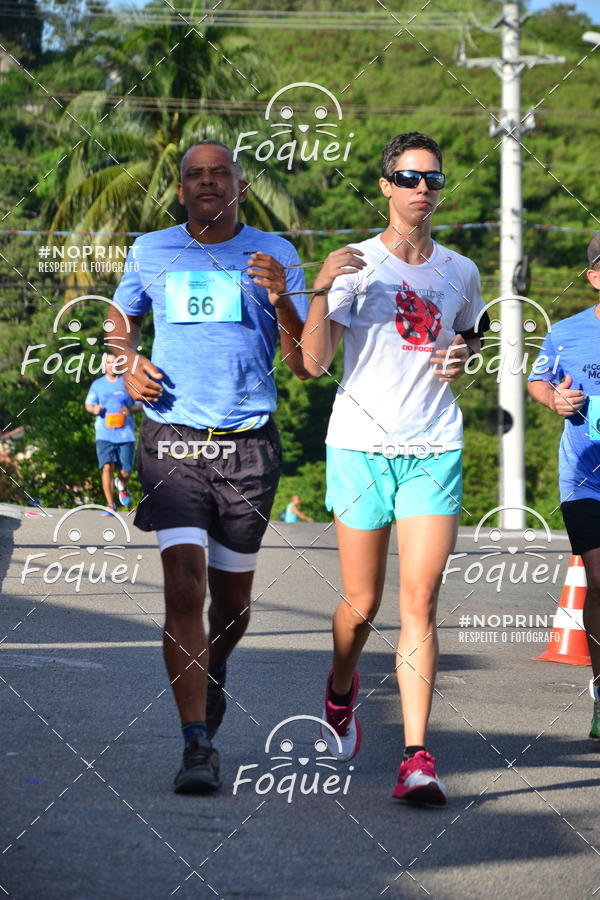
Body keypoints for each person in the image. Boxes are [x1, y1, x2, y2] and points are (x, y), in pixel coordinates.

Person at [108, 141, 308, 794]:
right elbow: (120, 318)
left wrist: (283, 300)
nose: (207, 182)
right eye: (195, 175)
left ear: (240, 188)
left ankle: (214, 662)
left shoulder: (276, 255)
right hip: (172, 439)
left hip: (248, 443)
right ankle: (197, 744)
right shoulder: (150, 251)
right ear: (180, 190)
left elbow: (305, 357)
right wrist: (127, 362)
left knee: (234, 605)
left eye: (220, 173)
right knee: (184, 587)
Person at [302, 132, 487, 805]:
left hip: (433, 445)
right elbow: (316, 363)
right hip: (358, 446)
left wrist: (464, 356)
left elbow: (472, 331)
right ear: (385, 185)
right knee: (361, 605)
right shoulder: (356, 265)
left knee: (421, 600)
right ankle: (341, 688)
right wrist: (321, 289)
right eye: (408, 178)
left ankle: (415, 757)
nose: (421, 190)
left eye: (432, 180)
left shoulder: (461, 270)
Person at [528, 232, 600, 742]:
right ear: (595, 276)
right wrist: (554, 399)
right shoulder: (568, 333)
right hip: (586, 479)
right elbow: (538, 380)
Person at [84, 353, 141, 514]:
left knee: (126, 470)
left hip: (125, 433)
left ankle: (121, 484)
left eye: (115, 362)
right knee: (106, 467)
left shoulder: (128, 383)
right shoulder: (97, 385)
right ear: (104, 365)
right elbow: (89, 404)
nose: (112, 365)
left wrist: (129, 409)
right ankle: (110, 505)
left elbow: (140, 404)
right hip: (104, 433)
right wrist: (94, 409)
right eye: (109, 362)